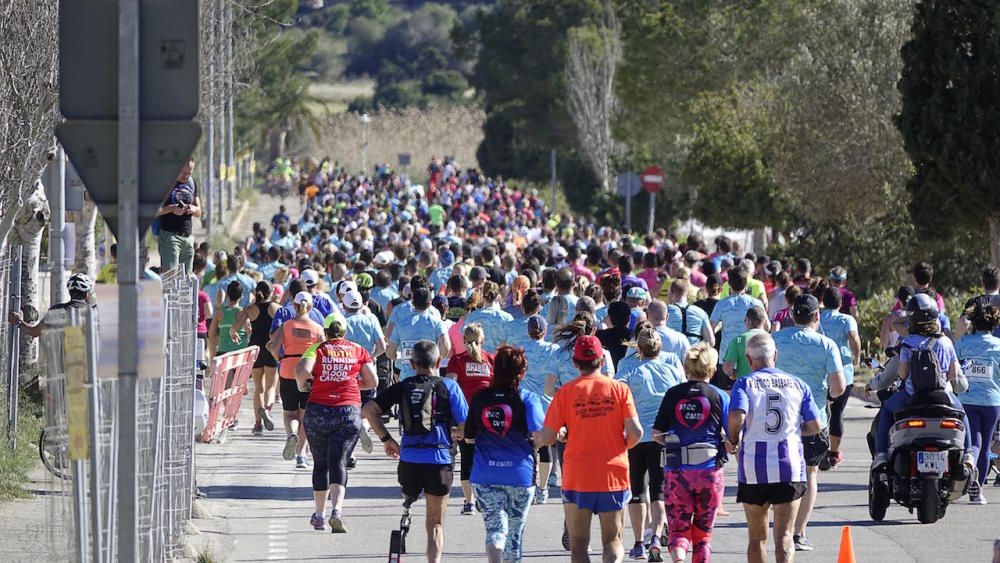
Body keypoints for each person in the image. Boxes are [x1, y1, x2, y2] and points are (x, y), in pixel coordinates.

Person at [536, 336, 643, 563]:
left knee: (578, 545)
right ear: (602, 361)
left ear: (575, 363)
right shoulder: (619, 389)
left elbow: (546, 436)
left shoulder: (566, 392)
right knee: (613, 541)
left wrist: (558, 435)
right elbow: (637, 432)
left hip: (578, 475)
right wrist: (622, 447)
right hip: (612, 473)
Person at [363, 341, 469, 563]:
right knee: (436, 523)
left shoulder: (403, 386)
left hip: (409, 459)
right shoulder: (449, 386)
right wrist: (456, 433)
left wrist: (387, 439)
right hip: (439, 460)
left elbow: (369, 409)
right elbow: (467, 425)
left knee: (410, 497)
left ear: (412, 364)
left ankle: (408, 505)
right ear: (439, 362)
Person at [728, 332, 822, 563]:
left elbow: (737, 416)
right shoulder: (798, 384)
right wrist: (794, 431)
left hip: (754, 468)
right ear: (775, 356)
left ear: (749, 360)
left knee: (757, 538)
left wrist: (734, 438)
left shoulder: (745, 382)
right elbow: (815, 425)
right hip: (788, 466)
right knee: (785, 538)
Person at [771, 294, 845, 551]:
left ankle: (782, 529)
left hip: (778, 417)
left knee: (781, 473)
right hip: (813, 419)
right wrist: (826, 393)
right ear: (817, 316)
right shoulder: (826, 345)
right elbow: (838, 387)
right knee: (809, 473)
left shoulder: (775, 340)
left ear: (792, 315)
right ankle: (799, 532)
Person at [873, 293, 975, 476]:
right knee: (962, 414)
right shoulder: (946, 342)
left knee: (887, 410)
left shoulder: (908, 342)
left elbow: (902, 374)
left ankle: (881, 455)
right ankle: (967, 454)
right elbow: (953, 374)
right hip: (943, 397)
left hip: (912, 397)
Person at [295, 313, 377, 532]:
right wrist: (349, 383)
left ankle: (319, 515)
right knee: (339, 461)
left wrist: (307, 385)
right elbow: (372, 381)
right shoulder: (359, 349)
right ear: (345, 331)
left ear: (325, 331)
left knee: (320, 464)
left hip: (318, 411)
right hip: (348, 411)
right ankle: (337, 510)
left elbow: (301, 371)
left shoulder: (318, 348)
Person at [465, 346, 545, 563]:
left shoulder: (480, 398)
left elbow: (469, 435)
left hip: (485, 474)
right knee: (515, 534)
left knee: (495, 528)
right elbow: (541, 436)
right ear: (522, 373)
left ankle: (495, 556)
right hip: (520, 475)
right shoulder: (527, 399)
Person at [653, 343, 729, 563]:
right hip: (710, 472)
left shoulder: (673, 394)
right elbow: (732, 433)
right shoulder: (719, 396)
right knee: (703, 535)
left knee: (678, 530)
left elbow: (657, 433)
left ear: (686, 368)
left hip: (677, 472)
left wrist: (672, 439)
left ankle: (678, 559)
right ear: (712, 371)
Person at [614, 329, 685, 561]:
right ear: (660, 347)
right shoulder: (672, 370)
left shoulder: (629, 371)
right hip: (663, 436)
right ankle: (656, 535)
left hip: (635, 436)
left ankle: (638, 542)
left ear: (639, 349)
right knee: (658, 489)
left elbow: (614, 395)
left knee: (637, 491)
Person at [268, 292, 325, 469]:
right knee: (305, 415)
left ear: (294, 304)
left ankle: (292, 433)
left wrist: (279, 358)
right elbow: (323, 352)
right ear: (310, 306)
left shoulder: (286, 326)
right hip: (308, 372)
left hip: (287, 370)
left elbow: (274, 348)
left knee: (290, 413)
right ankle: (301, 454)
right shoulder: (318, 328)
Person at [447, 323, 496, 515]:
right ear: (482, 340)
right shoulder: (490, 360)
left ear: (463, 340)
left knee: (467, 459)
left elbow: (450, 387)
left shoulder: (457, 360)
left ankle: (469, 502)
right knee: (485, 458)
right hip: (488, 416)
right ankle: (483, 499)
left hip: (464, 417)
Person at [955, 300, 1000, 504]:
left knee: (974, 440)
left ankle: (970, 464)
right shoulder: (998, 346)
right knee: (986, 446)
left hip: (967, 399)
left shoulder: (964, 343)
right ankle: (977, 489)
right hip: (992, 401)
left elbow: (952, 367)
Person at [518, 315, 561, 504]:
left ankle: (528, 484)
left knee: (526, 447)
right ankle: (542, 488)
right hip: (547, 402)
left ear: (528, 331)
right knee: (545, 447)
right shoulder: (554, 350)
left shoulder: (521, 351)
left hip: (526, 402)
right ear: (545, 331)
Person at [818, 288, 860, 468]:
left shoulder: (817, 318)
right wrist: (856, 359)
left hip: (819, 370)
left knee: (819, 409)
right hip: (843, 372)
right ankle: (834, 453)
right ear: (840, 304)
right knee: (837, 412)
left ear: (823, 301)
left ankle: (818, 448)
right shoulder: (846, 320)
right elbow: (853, 338)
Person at [233, 280, 281, 435]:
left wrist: (235, 334)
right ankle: (267, 410)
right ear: (271, 292)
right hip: (271, 348)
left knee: (258, 389)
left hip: (254, 350)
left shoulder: (251, 309)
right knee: (271, 387)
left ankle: (258, 424)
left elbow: (235, 327)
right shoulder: (274, 307)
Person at [710, 268, 765, 390]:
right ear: (746, 284)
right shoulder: (756, 303)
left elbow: (710, 329)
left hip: (726, 357)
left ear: (729, 284)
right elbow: (767, 327)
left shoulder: (721, 304)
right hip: (751, 357)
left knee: (727, 396)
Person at [388, 286, 451, 381]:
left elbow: (390, 353)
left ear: (413, 303)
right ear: (430, 304)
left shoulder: (401, 324)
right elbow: (446, 347)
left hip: (407, 378)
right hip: (431, 377)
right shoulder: (437, 322)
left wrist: (401, 356)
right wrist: (435, 360)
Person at [8, 273, 96, 338]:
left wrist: (18, 321)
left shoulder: (57, 310)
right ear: (86, 294)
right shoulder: (94, 312)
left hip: (61, 362)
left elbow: (34, 332)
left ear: (70, 292)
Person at [156, 158, 201, 272]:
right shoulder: (164, 183)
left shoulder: (191, 183)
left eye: (189, 173)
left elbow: (199, 211)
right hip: (170, 236)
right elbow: (153, 211)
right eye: (183, 173)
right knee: (170, 279)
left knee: (186, 282)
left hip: (187, 237)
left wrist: (193, 209)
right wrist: (172, 209)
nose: (186, 176)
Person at [464, 281, 514, 353]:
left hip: (477, 359)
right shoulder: (507, 318)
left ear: (482, 297)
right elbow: (511, 343)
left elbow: (465, 339)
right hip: (498, 360)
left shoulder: (472, 316)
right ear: (498, 297)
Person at [722, 306, 769, 381]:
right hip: (767, 385)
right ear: (764, 321)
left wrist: (732, 374)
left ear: (748, 321)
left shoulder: (738, 340)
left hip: (745, 385)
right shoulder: (771, 339)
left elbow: (727, 368)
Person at [955, 266, 1000, 340]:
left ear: (983, 283)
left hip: (979, 348)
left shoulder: (975, 302)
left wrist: (957, 343)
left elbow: (964, 323)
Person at [666, 280, 715, 346]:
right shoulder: (701, 312)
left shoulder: (665, 310)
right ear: (687, 294)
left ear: (671, 293)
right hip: (693, 353)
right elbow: (711, 342)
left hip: (672, 351)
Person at [209, 281, 249, 358]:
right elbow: (249, 331)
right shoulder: (242, 313)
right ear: (241, 295)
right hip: (239, 353)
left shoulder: (219, 313)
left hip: (223, 352)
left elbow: (211, 334)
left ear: (227, 295)